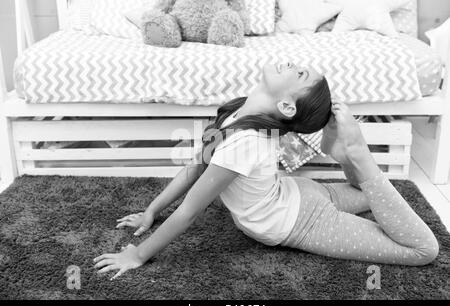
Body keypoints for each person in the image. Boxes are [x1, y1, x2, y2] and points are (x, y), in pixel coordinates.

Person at [94, 62, 439, 280]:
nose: (292, 64)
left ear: (287, 106)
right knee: (373, 197)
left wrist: (138, 255)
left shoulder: (246, 138)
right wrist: (151, 211)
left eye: (299, 73)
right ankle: (348, 156)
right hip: (298, 199)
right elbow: (196, 167)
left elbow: (189, 211)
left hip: (303, 217)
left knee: (424, 250)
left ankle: (356, 154)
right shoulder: (236, 116)